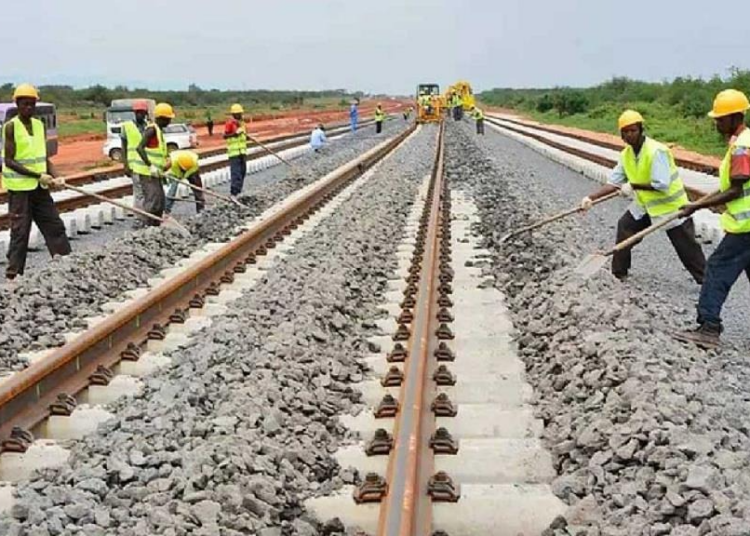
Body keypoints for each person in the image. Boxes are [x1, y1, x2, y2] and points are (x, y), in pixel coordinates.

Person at [580, 109, 705, 283]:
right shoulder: (626, 155)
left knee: (687, 248)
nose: (630, 135)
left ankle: (707, 281)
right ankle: (618, 273)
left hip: (671, 207)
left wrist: (634, 185)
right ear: (621, 135)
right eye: (626, 132)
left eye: (633, 130)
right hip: (645, 205)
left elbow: (661, 184)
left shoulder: (656, 151)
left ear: (641, 130)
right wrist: (591, 198)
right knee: (625, 226)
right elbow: (613, 183)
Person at [674, 89, 750, 349]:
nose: (716, 123)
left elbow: (735, 190)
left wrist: (697, 205)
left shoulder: (742, 148)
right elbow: (734, 184)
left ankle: (709, 327)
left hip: (745, 227)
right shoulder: (743, 141)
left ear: (735, 117)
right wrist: (698, 204)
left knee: (717, 269)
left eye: (720, 118)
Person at [1, 84, 70, 280]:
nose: (29, 108)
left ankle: (67, 266)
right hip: (20, 191)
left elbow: (43, 158)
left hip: (39, 189)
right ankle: (14, 276)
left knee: (54, 226)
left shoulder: (40, 126)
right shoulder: (11, 127)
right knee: (20, 233)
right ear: (17, 104)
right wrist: (38, 176)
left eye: (32, 104)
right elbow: (9, 161)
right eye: (25, 104)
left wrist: (56, 175)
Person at [136, 102, 174, 225]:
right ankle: (147, 227)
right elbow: (139, 148)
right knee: (153, 202)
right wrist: (150, 166)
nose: (170, 122)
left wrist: (165, 164)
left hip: (156, 173)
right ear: (162, 118)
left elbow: (159, 153)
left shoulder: (158, 131)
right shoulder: (152, 129)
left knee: (160, 201)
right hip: (148, 173)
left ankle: (156, 226)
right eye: (168, 119)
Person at [121, 100, 150, 217]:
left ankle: (147, 215)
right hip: (134, 166)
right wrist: (125, 165)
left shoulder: (149, 127)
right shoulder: (127, 126)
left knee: (148, 192)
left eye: (142, 112)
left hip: (147, 166)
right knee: (139, 193)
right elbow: (123, 147)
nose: (140, 115)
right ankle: (139, 217)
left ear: (146, 113)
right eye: (138, 112)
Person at [164, 150, 205, 215]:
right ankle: (166, 211)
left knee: (198, 189)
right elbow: (164, 168)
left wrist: (183, 176)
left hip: (191, 173)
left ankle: (201, 210)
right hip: (175, 173)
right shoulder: (172, 161)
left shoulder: (194, 165)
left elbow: (189, 173)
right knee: (172, 190)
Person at [223, 104, 247, 198]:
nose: (240, 115)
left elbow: (243, 135)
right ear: (234, 114)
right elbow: (225, 136)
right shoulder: (230, 124)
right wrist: (234, 134)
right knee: (236, 174)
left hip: (242, 152)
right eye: (238, 113)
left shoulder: (242, 123)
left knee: (243, 172)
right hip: (234, 153)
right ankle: (234, 193)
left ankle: (239, 191)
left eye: (240, 113)